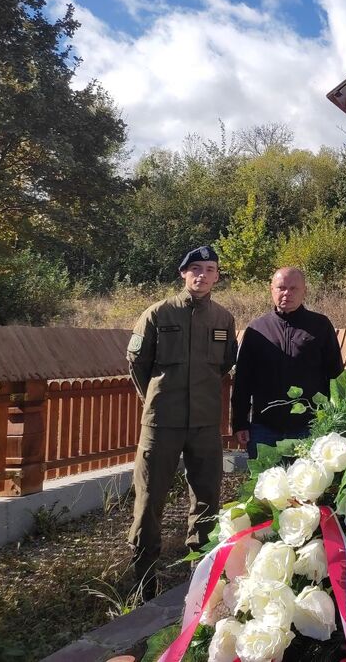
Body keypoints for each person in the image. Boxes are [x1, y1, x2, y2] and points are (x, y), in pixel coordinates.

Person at [126, 245, 237, 599]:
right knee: (149, 501)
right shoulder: (157, 314)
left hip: (205, 425)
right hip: (162, 425)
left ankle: (199, 584)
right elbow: (137, 364)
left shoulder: (223, 319)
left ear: (217, 276)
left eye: (210, 269)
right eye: (195, 269)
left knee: (207, 501)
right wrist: (159, 403)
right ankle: (145, 585)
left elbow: (223, 366)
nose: (202, 275)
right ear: (183, 273)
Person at [232, 267, 343, 457]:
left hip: (309, 428)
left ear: (304, 291)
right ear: (271, 289)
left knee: (306, 485)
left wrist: (335, 421)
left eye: (293, 289)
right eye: (281, 288)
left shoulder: (320, 326)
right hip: (264, 428)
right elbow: (243, 380)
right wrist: (240, 422)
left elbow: (335, 375)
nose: (287, 293)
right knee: (265, 484)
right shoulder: (256, 329)